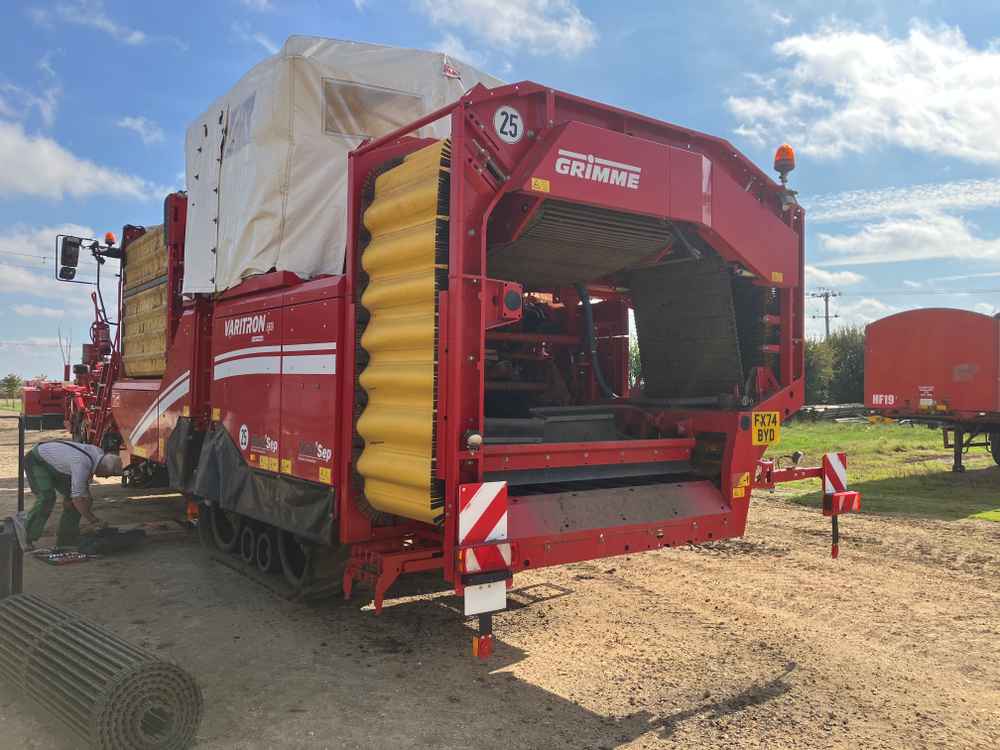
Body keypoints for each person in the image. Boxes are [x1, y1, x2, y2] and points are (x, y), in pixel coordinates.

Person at [21, 440, 123, 548]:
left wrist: (85, 502)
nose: (107, 477)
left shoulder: (99, 455)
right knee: (47, 498)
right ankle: (25, 538)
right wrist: (94, 520)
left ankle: (66, 539)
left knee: (75, 501)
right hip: (37, 461)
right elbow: (78, 498)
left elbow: (83, 493)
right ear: (104, 468)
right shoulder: (81, 464)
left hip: (57, 465)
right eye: (108, 474)